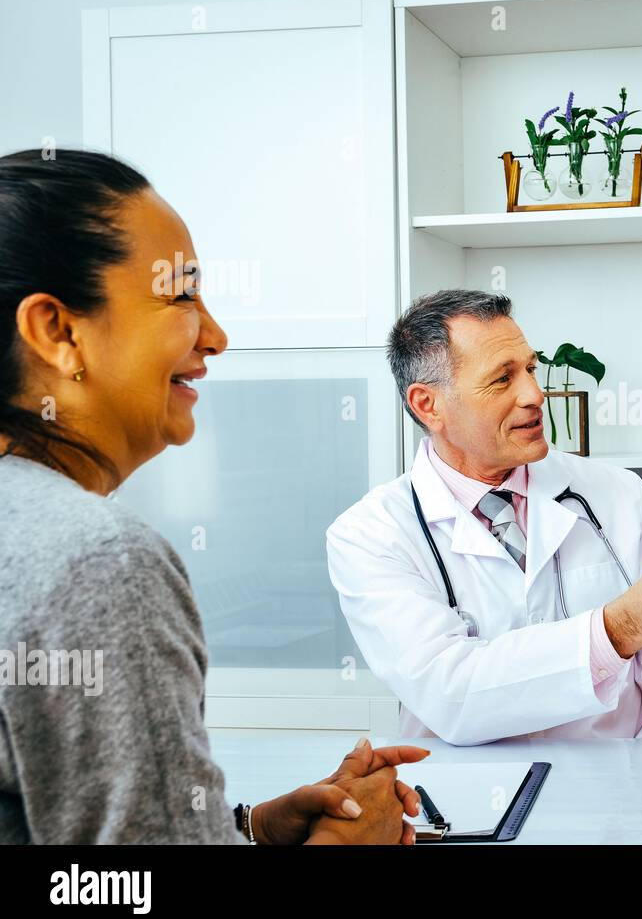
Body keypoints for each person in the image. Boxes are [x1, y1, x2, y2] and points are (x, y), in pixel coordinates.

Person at [0, 148, 427, 843]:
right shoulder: (97, 560)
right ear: (58, 331)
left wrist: (247, 830)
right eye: (180, 296)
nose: (218, 336)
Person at [327, 290, 642, 745]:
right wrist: (623, 624)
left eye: (530, 369)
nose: (533, 394)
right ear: (428, 404)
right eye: (503, 378)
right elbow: (452, 695)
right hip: (472, 804)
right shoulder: (370, 535)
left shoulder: (614, 493)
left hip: (621, 800)